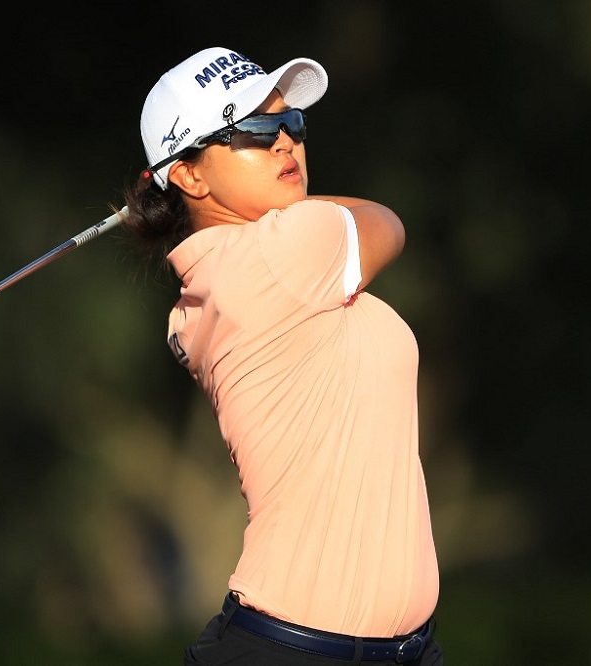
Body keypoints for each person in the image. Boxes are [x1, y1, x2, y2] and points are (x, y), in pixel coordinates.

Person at [118, 47, 443, 665]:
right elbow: (386, 221)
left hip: (398, 651)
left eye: (291, 123)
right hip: (295, 651)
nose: (285, 142)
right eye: (253, 131)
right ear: (189, 176)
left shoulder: (221, 276)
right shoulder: (279, 254)